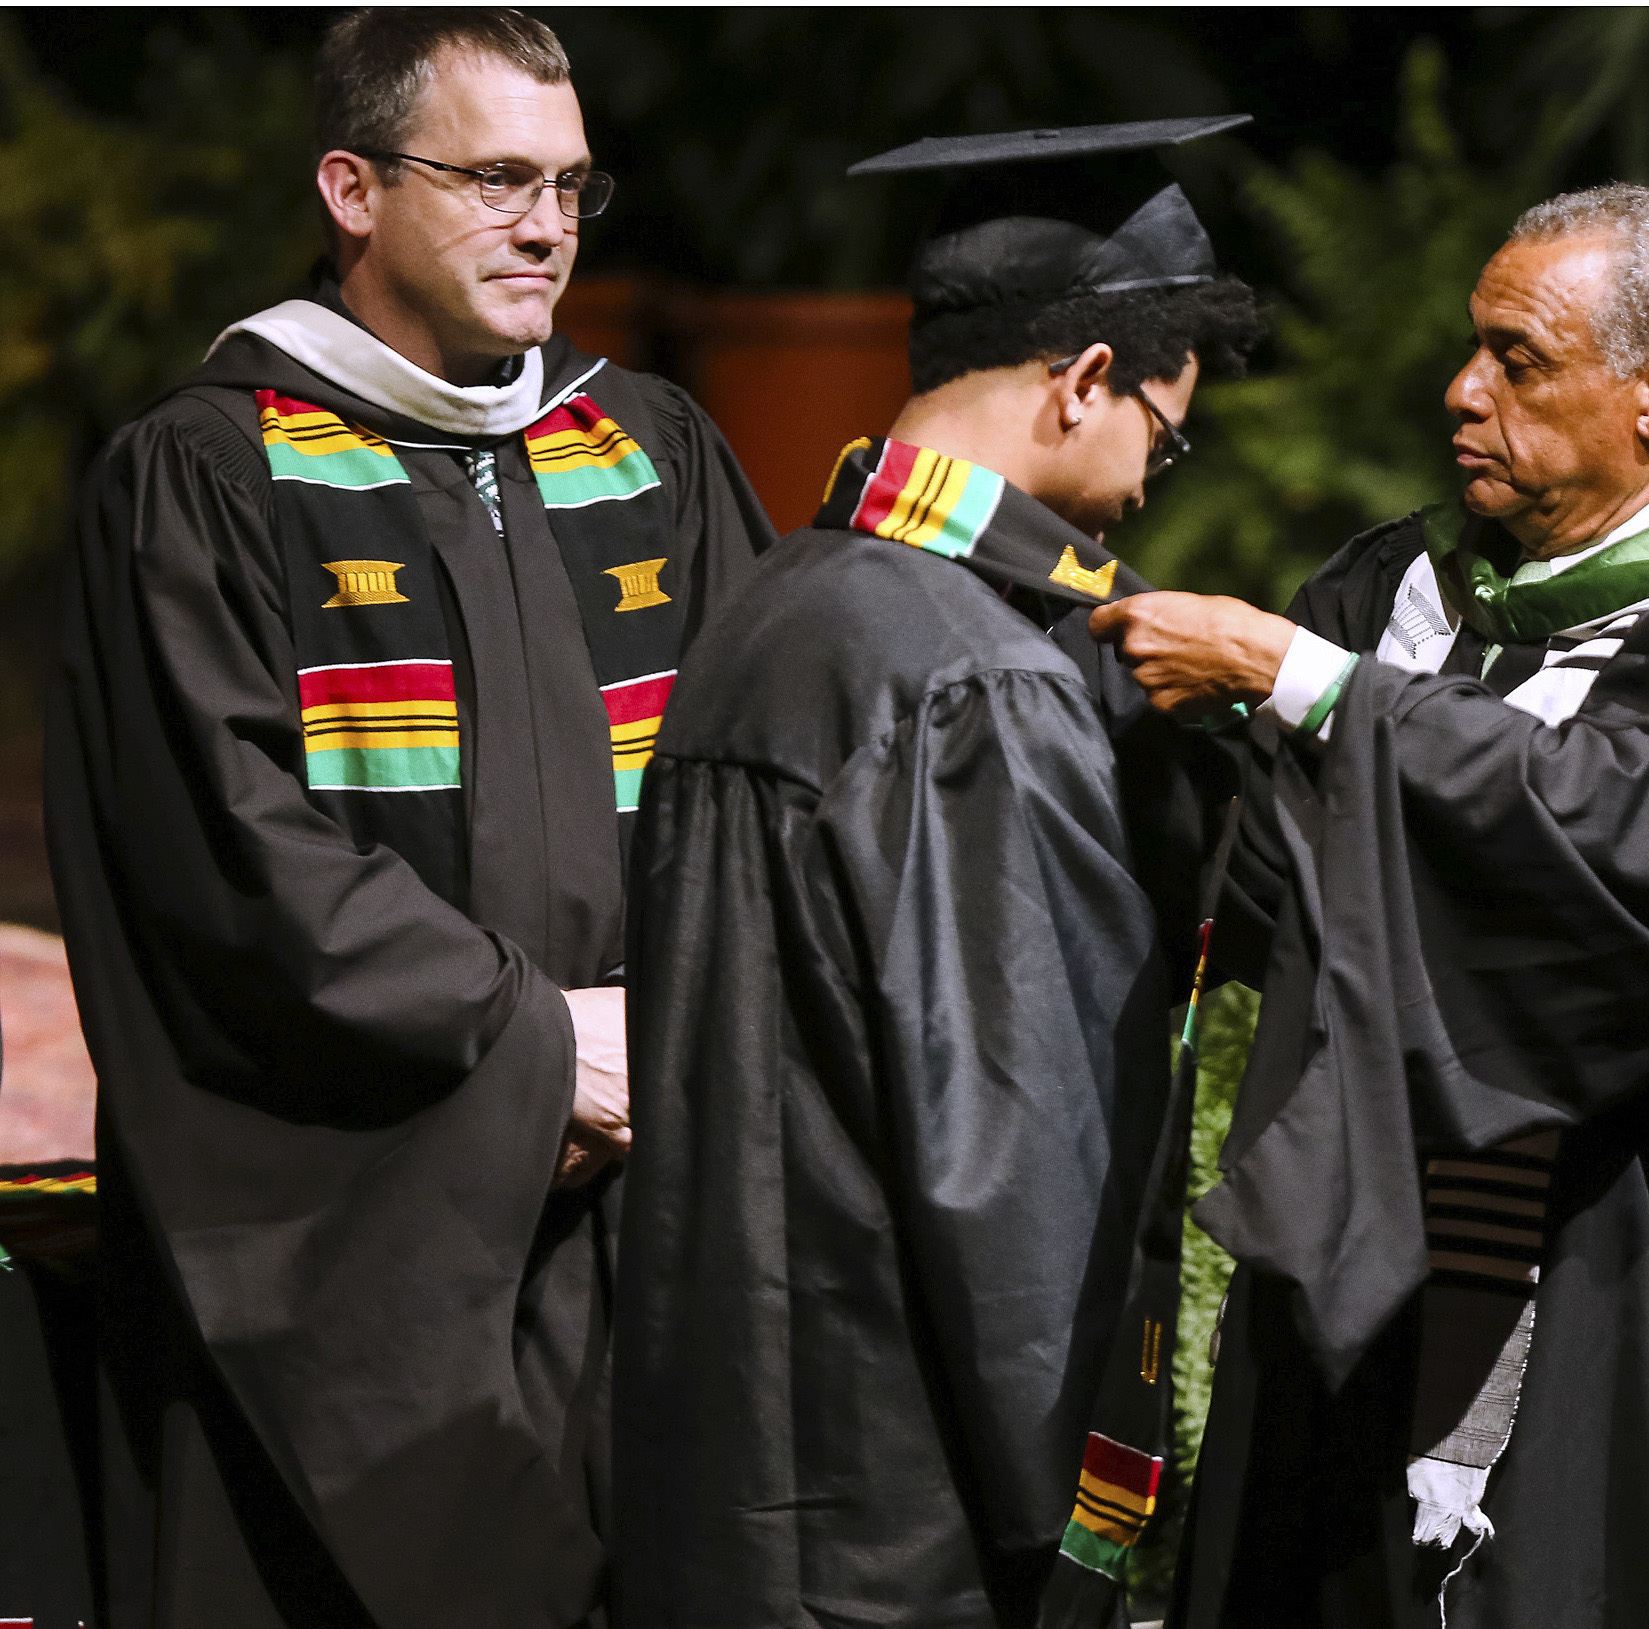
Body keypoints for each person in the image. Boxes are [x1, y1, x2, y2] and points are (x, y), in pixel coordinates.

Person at [44, 10, 772, 1625]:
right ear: (352, 189)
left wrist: (682, 1020)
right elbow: (223, 860)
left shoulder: (646, 450)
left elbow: (765, 796)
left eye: (572, 185)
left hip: (636, 1221)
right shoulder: (212, 475)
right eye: (496, 177)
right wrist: (532, 1042)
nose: (546, 227)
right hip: (350, 1238)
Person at [1092, 184, 1649, 1628]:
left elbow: (1614, 869)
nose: (1462, 391)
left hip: (1607, 1295)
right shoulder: (1407, 586)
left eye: (1517, 361)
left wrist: (1314, 689)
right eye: (1472, 347)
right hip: (1347, 1279)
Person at [614, 120, 1265, 1629]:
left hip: (720, 1448)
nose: (1153, 488)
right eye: (1164, 436)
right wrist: (1106, 1524)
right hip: (907, 1500)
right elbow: (1021, 1164)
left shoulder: (772, 609)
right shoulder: (971, 680)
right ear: (1083, 380)